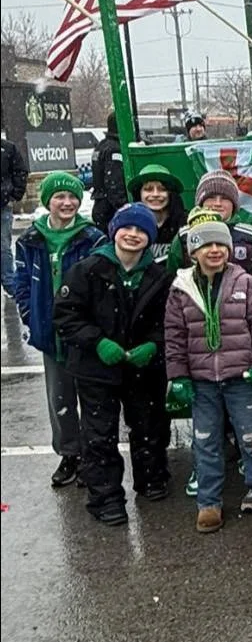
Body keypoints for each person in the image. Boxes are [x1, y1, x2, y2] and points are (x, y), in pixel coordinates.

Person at [54, 203, 173, 526]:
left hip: (142, 367)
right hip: (96, 369)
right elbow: (66, 315)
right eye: (128, 228)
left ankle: (151, 478)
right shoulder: (88, 269)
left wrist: (154, 344)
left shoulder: (158, 275)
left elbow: (169, 321)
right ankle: (105, 496)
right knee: (99, 434)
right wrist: (97, 342)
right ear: (114, 232)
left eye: (141, 231)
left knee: (149, 426)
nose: (133, 235)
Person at [164, 210, 252, 533]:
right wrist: (178, 376)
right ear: (193, 251)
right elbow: (174, 337)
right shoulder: (181, 288)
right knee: (206, 441)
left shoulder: (246, 283)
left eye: (221, 245)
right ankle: (209, 501)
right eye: (206, 245)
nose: (214, 251)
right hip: (201, 382)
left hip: (241, 379)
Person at [12, 171, 105, 487]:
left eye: (72, 197)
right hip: (49, 333)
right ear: (47, 201)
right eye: (59, 197)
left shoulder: (92, 238)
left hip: (84, 333)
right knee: (59, 398)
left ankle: (93, 457)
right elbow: (21, 282)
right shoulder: (30, 240)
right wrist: (28, 312)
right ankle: (70, 454)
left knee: (91, 398)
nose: (66, 203)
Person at [166, 169, 252, 274]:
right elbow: (172, 279)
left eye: (224, 198)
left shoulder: (251, 236)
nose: (217, 203)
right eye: (211, 198)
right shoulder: (184, 236)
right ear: (201, 203)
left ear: (234, 204)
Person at [128, 164, 187, 265]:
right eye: (148, 189)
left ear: (170, 194)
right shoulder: (128, 225)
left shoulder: (186, 223)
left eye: (162, 189)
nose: (155, 194)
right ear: (139, 194)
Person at [1, 132, 29, 294]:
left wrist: (14, 195)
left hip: (2, 205)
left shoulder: (8, 148)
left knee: (3, 247)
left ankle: (10, 283)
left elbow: (20, 171)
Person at [89, 112, 127, 231]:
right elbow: (114, 184)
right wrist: (124, 207)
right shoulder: (115, 149)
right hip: (109, 210)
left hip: (101, 206)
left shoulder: (101, 145)